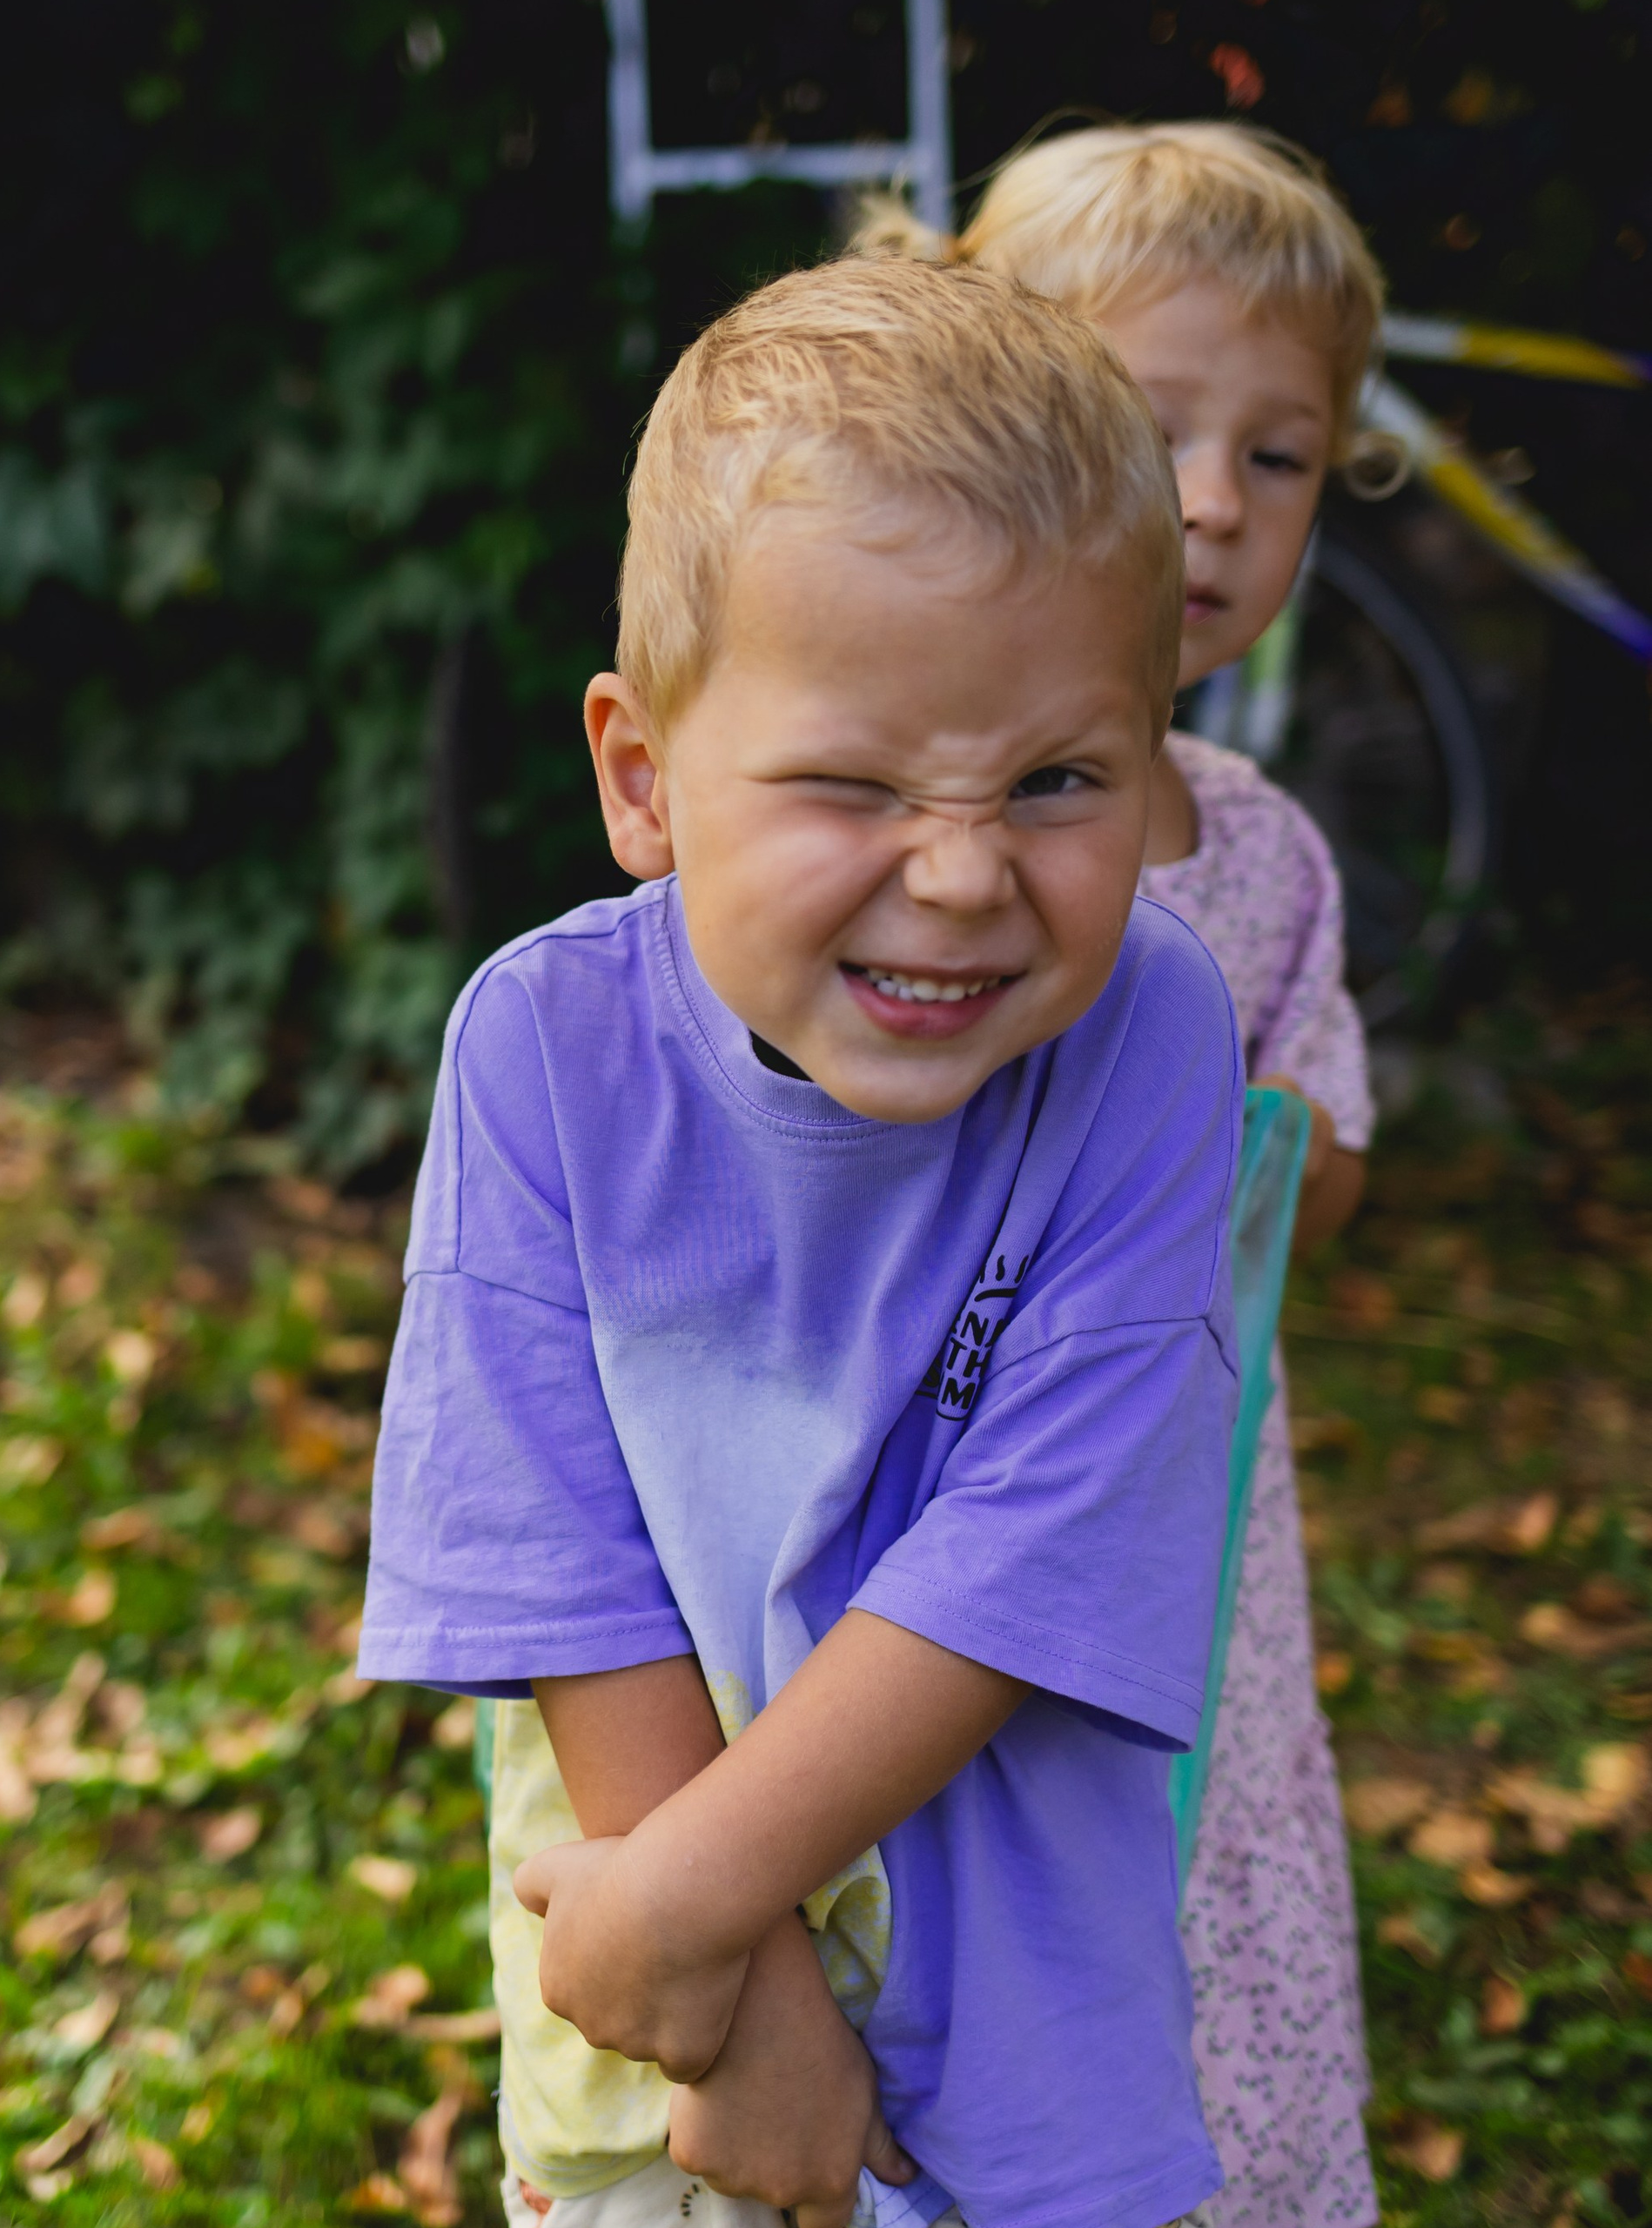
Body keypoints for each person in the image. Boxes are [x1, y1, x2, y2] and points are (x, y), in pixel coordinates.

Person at [359, 253, 1243, 2228]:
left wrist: (681, 1902)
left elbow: (1037, 1538)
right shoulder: (541, 1048)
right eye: (849, 781)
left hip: (1010, 2058)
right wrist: (738, 1996)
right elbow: (548, 1551)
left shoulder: (1148, 1032)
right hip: (651, 2054)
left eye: (1056, 780)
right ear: (640, 776)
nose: (958, 872)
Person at [855, 122, 1383, 2228]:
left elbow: (1306, 1164)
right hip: (908, 1502)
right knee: (913, 1939)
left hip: (1174, 1533)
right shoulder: (892, 807)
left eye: (1277, 456)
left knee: (1182, 1911)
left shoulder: (1256, 855)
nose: (1208, 503)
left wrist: (1270, 1144)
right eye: (1146, 424)